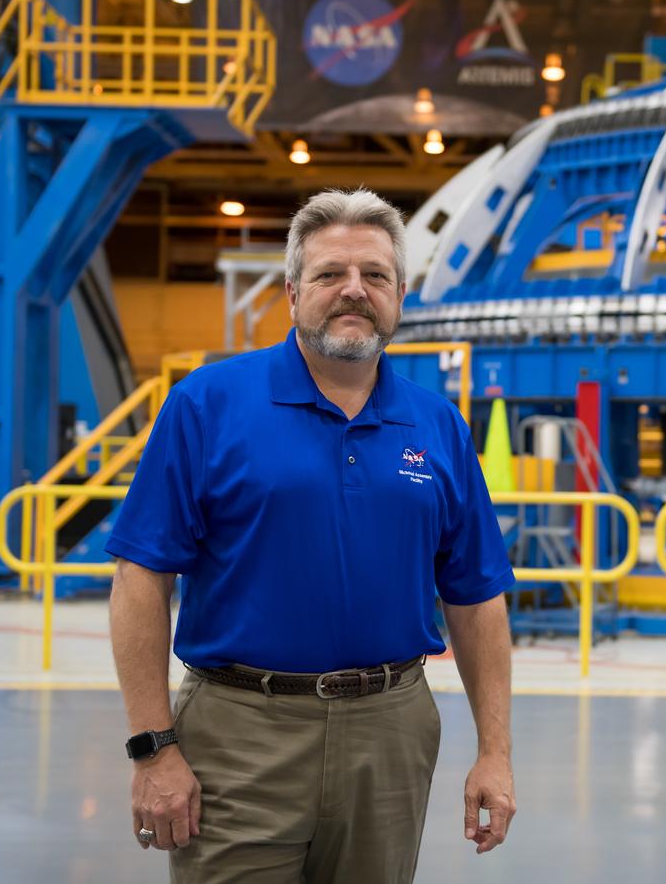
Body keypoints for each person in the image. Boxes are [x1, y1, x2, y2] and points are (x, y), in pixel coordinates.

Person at [106, 188, 517, 884]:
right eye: (330, 274)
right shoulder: (207, 404)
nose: (353, 291)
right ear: (293, 291)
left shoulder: (436, 424)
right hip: (240, 730)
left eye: (374, 276)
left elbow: (477, 596)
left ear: (400, 295)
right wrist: (153, 748)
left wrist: (496, 750)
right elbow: (140, 577)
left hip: (392, 729)